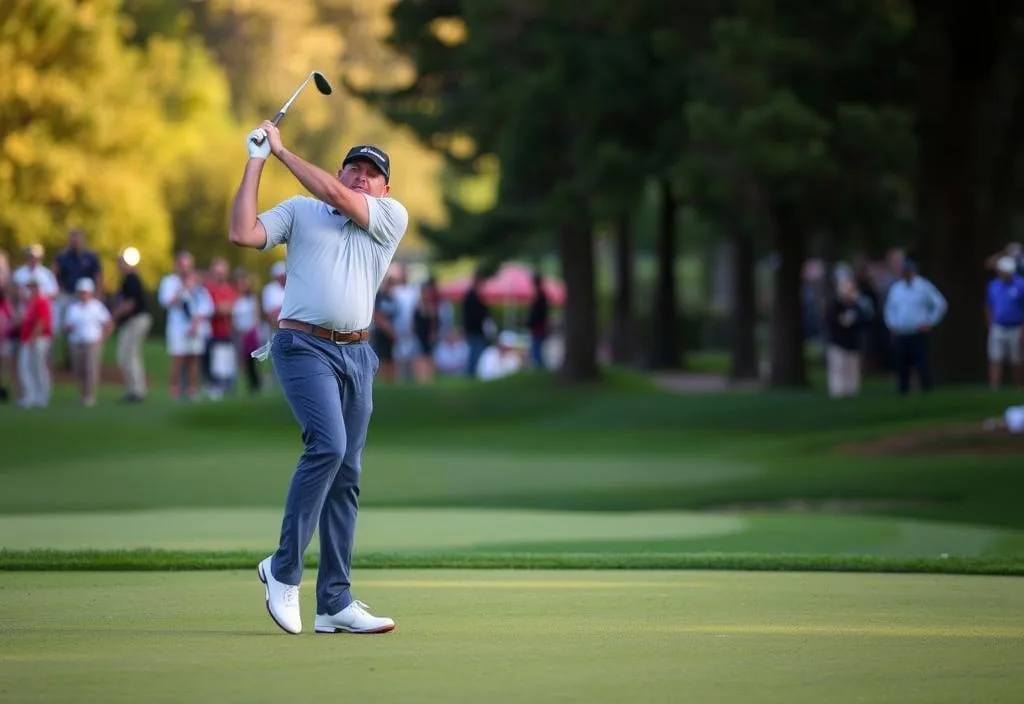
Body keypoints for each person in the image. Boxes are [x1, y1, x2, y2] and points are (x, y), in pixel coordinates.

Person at [229, 121, 408, 635]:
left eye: (373, 174)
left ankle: (334, 602)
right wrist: (257, 159)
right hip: (301, 345)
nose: (361, 178)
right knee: (328, 447)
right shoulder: (301, 211)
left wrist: (284, 151)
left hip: (358, 354)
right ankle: (282, 572)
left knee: (347, 473)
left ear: (385, 190)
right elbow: (243, 233)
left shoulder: (389, 218)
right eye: (354, 167)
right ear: (339, 169)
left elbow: (335, 194)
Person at [883, 259, 947, 394]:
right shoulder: (896, 288)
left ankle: (926, 389)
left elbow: (940, 304)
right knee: (902, 364)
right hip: (901, 332)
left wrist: (930, 322)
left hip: (918, 332)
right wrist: (892, 324)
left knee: (921, 363)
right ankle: (903, 391)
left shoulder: (923, 286)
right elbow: (889, 309)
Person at [158, 253, 214, 401]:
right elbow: (166, 303)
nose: (185, 269)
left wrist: (196, 322)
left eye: (188, 266)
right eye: (182, 265)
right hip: (177, 326)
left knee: (193, 359)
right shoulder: (169, 282)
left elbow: (207, 305)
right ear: (177, 266)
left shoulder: (198, 284)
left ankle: (192, 390)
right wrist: (182, 288)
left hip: (194, 327)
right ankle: (175, 391)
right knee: (177, 358)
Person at [111, 249, 152, 403]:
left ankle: (136, 391)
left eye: (121, 262)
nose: (119, 265)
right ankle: (133, 389)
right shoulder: (128, 279)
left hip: (136, 319)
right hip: (134, 320)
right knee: (128, 355)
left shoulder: (131, 278)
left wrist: (114, 317)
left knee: (128, 354)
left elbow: (130, 303)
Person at [63, 279, 113, 407]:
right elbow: (67, 326)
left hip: (92, 341)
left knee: (91, 369)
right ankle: (82, 395)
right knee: (79, 370)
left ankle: (89, 396)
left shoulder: (97, 307)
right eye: (81, 292)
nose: (83, 295)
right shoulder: (73, 308)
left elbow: (108, 324)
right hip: (76, 341)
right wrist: (69, 329)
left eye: (85, 292)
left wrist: (102, 338)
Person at [824, 276, 873, 398]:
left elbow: (866, 319)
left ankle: (852, 392)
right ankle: (838, 393)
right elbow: (831, 320)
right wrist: (841, 321)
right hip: (838, 343)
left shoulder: (858, 306)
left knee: (852, 370)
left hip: (853, 343)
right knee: (838, 369)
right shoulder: (835, 305)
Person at [203, 257, 239, 399]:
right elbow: (213, 308)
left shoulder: (230, 289)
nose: (220, 275)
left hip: (228, 331)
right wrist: (224, 307)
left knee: (227, 361)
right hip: (212, 332)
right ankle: (215, 387)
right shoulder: (209, 289)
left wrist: (223, 307)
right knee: (215, 361)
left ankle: (227, 388)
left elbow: (233, 308)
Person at [986, 256, 1024, 389]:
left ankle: (1019, 387)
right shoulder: (993, 285)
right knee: (995, 359)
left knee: (1017, 360)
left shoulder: (1021, 284)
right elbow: (989, 306)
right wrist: (990, 324)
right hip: (998, 326)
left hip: (1016, 327)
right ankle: (994, 388)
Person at [17, 275, 53, 408]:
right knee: (26, 368)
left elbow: (41, 322)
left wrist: (33, 338)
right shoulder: (30, 303)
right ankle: (30, 396)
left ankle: (42, 396)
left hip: (38, 339)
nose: (30, 289)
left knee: (38, 367)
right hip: (28, 339)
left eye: (32, 287)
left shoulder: (41, 301)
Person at [231, 268, 263, 395]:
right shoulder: (236, 299)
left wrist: (251, 329)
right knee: (243, 361)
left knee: (251, 360)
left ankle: (255, 384)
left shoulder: (252, 299)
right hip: (240, 332)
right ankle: (248, 385)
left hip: (250, 332)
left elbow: (256, 316)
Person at [462, 271, 493, 376]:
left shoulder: (475, 296)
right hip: (474, 330)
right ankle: (473, 373)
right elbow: (474, 315)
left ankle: (475, 373)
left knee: (476, 353)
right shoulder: (472, 297)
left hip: (476, 330)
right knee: (475, 354)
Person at [411, 277, 440, 383]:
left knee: (428, 357)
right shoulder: (418, 307)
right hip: (419, 336)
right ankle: (421, 378)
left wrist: (433, 334)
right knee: (420, 357)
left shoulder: (431, 308)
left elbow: (434, 323)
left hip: (428, 336)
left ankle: (429, 378)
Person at [371, 275, 399, 383]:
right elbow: (377, 315)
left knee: (391, 358)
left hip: (391, 333)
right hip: (381, 333)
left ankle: (391, 382)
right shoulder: (379, 297)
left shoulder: (392, 298)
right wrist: (389, 330)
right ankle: (383, 381)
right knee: (382, 358)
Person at [526, 272, 550, 369]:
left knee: (537, 349)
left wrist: (530, 321)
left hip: (538, 327)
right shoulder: (540, 296)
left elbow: (538, 314)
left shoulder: (540, 296)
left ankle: (539, 367)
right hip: (538, 327)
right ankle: (538, 366)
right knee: (537, 349)